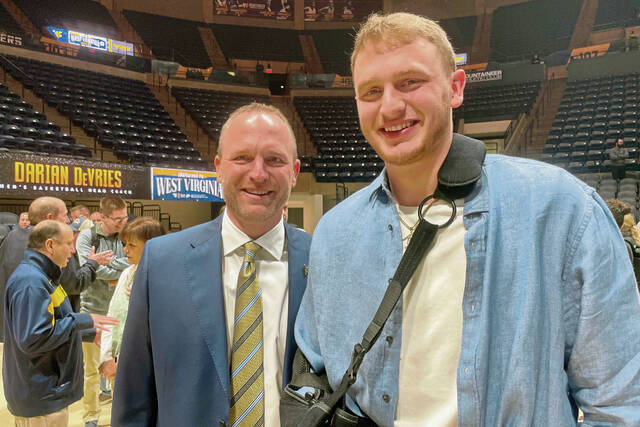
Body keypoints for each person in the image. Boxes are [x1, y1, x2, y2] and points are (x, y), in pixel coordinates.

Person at [293, 12, 640, 426]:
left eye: (410, 82)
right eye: (371, 91)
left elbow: (619, 402)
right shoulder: (334, 232)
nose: (390, 105)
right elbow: (313, 371)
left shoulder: (562, 210)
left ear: (456, 88)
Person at [112, 103, 311, 426]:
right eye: (242, 157)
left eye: (274, 159)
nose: (258, 173)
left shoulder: (322, 261)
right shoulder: (161, 261)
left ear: (294, 172)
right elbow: (134, 397)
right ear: (218, 167)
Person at [3, 220, 118, 426]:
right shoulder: (31, 282)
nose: (73, 251)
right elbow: (33, 338)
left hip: (46, 393)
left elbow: (52, 325)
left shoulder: (43, 276)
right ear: (50, 245)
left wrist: (89, 333)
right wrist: (83, 320)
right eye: (68, 244)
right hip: (39, 396)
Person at [76, 195, 129, 427]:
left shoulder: (126, 233)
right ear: (103, 217)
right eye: (117, 219)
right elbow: (91, 270)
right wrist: (116, 267)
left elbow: (134, 263)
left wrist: (107, 264)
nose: (122, 223)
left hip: (122, 312)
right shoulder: (87, 236)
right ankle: (91, 417)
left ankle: (120, 414)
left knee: (122, 369)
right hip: (93, 312)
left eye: (124, 218)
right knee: (92, 371)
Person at [98, 216, 166, 383]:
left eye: (132, 245)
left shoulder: (166, 278)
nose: (125, 250)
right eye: (125, 244)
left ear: (153, 246)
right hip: (119, 362)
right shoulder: (127, 273)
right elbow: (112, 315)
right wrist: (106, 356)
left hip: (149, 367)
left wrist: (146, 298)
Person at [0, 197, 70, 342]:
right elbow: (72, 283)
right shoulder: (51, 248)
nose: (68, 220)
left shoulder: (11, 237)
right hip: (42, 342)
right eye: (64, 215)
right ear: (49, 218)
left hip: (11, 327)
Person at [59, 217, 114, 312]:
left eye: (77, 233)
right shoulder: (68, 252)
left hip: (93, 305)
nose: (73, 236)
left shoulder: (95, 247)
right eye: (72, 232)